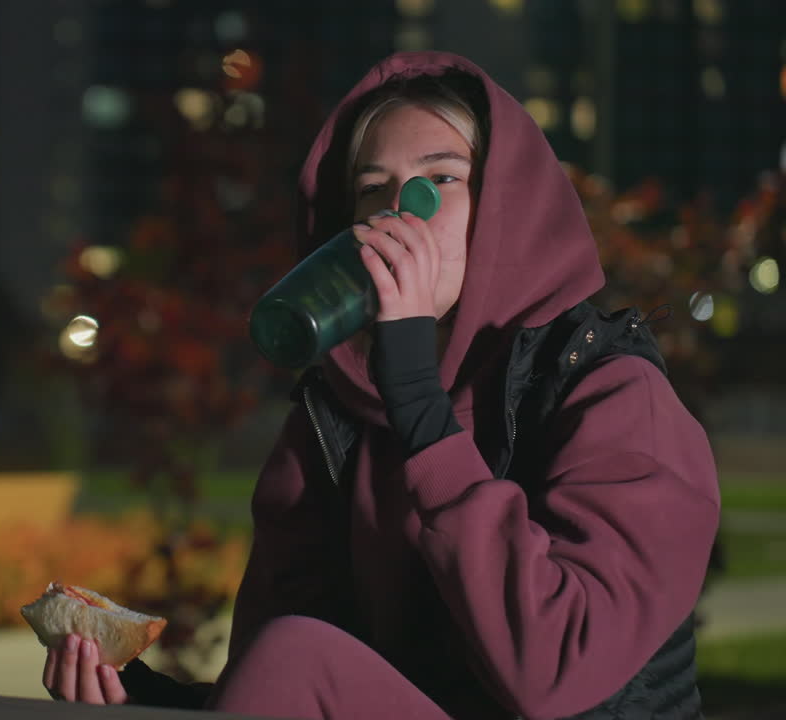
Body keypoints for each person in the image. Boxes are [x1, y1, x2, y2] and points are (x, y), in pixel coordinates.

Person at [41, 51, 720, 720]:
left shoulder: (611, 398)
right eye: (372, 190)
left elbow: (553, 672)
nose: (401, 215)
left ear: (509, 206)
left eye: (440, 180)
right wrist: (151, 698)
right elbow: (296, 682)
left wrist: (422, 410)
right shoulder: (336, 426)